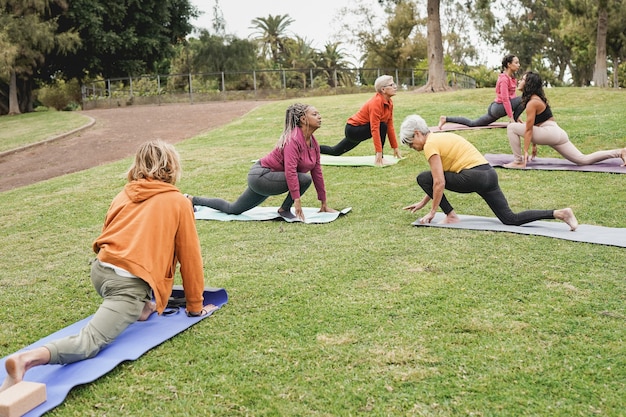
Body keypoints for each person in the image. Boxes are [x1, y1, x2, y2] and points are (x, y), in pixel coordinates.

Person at [0, 140, 214, 393]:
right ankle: (26, 361)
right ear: (173, 167)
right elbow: (190, 259)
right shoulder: (179, 202)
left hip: (100, 270)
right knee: (88, 342)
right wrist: (194, 307)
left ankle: (141, 307)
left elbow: (108, 230)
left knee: (138, 303)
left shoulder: (124, 194)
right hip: (126, 285)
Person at [399, 114, 578, 230]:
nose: (413, 148)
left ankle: (451, 216)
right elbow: (438, 180)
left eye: (410, 143)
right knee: (510, 218)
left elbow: (438, 182)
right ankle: (560, 213)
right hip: (488, 175)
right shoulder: (441, 137)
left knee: (422, 177)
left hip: (473, 176)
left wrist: (432, 212)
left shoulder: (430, 145)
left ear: (417, 133)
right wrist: (424, 202)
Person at [187, 103, 337, 222]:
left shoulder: (313, 143)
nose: (320, 117)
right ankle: (284, 209)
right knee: (303, 178)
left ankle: (193, 200)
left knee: (233, 209)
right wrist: (296, 200)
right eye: (315, 114)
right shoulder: (293, 140)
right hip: (262, 176)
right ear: (303, 119)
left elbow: (317, 172)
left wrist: (323, 202)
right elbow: (290, 171)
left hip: (269, 178)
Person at [504, 71, 626, 168]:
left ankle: (517, 161)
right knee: (582, 160)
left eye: (523, 79)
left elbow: (529, 129)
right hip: (556, 133)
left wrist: (525, 152)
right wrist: (534, 146)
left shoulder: (533, 102)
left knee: (511, 127)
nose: (520, 81)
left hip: (549, 133)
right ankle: (620, 152)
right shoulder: (535, 99)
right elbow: (533, 125)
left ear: (529, 84)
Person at [319, 74, 402, 166]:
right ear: (383, 89)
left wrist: (395, 147)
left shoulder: (389, 102)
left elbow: (390, 126)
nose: (395, 87)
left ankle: (310, 148)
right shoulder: (376, 102)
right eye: (391, 85)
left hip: (359, 130)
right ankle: (380, 159)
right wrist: (379, 154)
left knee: (335, 151)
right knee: (382, 126)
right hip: (353, 130)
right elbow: (375, 128)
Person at [438, 54, 523, 129]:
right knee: (526, 97)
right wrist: (511, 118)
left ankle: (445, 119)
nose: (518, 65)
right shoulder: (504, 79)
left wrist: (516, 116)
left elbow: (512, 96)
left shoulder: (512, 78)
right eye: (516, 63)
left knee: (473, 123)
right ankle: (513, 122)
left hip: (496, 109)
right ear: (509, 64)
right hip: (498, 107)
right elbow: (505, 99)